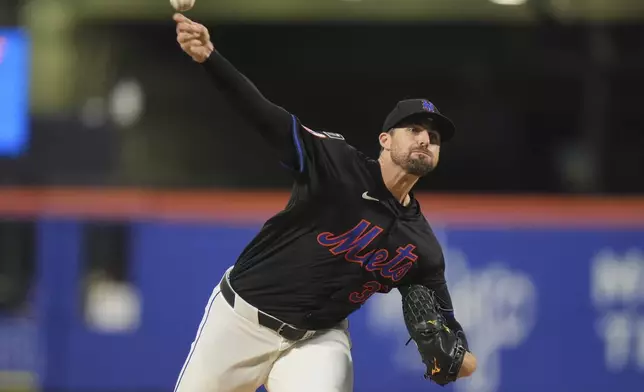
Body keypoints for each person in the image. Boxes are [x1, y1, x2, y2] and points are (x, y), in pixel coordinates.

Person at [172, 13, 477, 392]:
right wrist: (210, 59)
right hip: (241, 321)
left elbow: (454, 342)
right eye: (414, 130)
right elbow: (265, 116)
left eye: (433, 137)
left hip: (318, 340)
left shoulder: (421, 246)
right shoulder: (336, 164)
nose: (425, 139)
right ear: (384, 140)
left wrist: (457, 361)